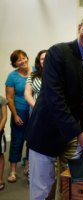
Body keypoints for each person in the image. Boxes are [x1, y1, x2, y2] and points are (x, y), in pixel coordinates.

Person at [26, 13, 83, 200]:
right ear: (79, 28)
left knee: (70, 187)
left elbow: (80, 99)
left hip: (70, 137)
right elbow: (55, 99)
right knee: (42, 191)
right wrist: (78, 133)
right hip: (46, 133)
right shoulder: (58, 52)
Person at [5, 49, 32, 183]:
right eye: (19, 60)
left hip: (34, 111)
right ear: (15, 64)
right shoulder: (12, 77)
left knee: (32, 140)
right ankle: (13, 171)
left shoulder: (35, 71)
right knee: (17, 141)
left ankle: (28, 167)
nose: (23, 61)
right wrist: (15, 115)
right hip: (19, 111)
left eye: (24, 58)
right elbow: (9, 98)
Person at [23, 49, 47, 177]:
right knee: (34, 142)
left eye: (47, 58)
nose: (45, 60)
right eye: (42, 58)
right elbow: (27, 94)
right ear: (39, 61)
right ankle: (31, 171)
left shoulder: (57, 74)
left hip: (52, 115)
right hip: (37, 113)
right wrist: (38, 107)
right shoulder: (33, 75)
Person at [0, 95, 8, 190]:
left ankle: (0, 179)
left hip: (0, 133)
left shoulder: (1, 100)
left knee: (0, 155)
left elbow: (4, 117)